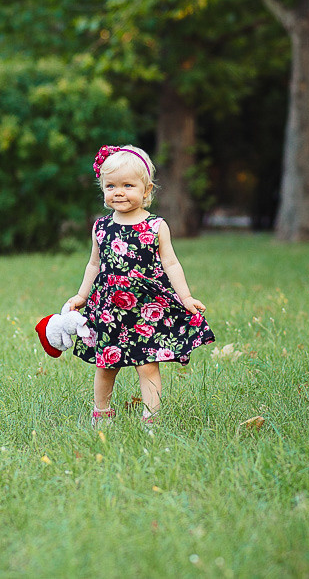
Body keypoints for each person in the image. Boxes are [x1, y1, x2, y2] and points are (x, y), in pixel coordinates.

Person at [66, 144, 215, 427]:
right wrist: (82, 295)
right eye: (110, 186)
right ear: (103, 189)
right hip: (110, 310)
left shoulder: (156, 226)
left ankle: (152, 418)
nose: (118, 192)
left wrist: (185, 297)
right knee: (106, 364)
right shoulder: (101, 227)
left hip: (146, 308)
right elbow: (94, 265)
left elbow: (171, 264)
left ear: (146, 191)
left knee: (147, 364)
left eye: (128, 185)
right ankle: (101, 414)